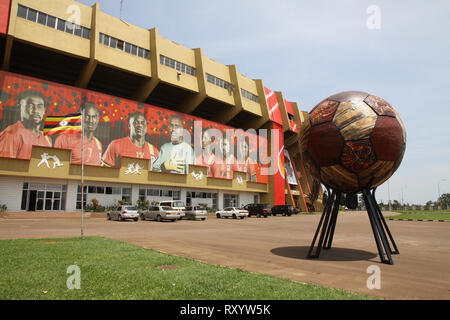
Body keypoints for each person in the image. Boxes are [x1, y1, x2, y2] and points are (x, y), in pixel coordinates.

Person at [0, 90, 52, 159]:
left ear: (44, 111)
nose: (35, 110)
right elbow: (5, 166)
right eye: (30, 106)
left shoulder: (47, 138)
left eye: (39, 106)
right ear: (20, 108)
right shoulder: (11, 134)